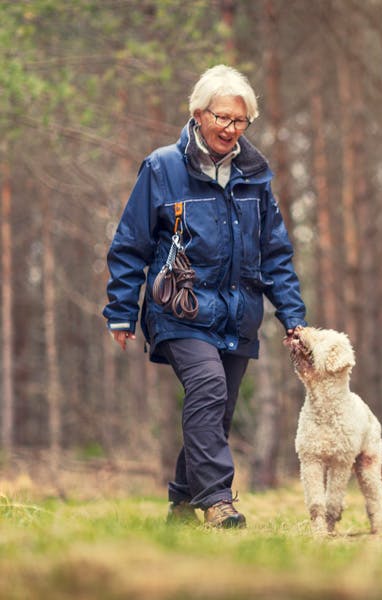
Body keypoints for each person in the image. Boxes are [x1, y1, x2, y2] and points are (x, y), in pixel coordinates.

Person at [103, 65, 307, 528]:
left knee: (215, 413)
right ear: (198, 115)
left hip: (237, 315)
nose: (230, 130)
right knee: (209, 390)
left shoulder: (255, 175)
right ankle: (217, 501)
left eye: (240, 122)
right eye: (222, 119)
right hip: (180, 309)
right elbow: (130, 243)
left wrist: (293, 316)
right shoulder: (162, 168)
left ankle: (180, 503)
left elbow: (275, 252)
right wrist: (120, 313)